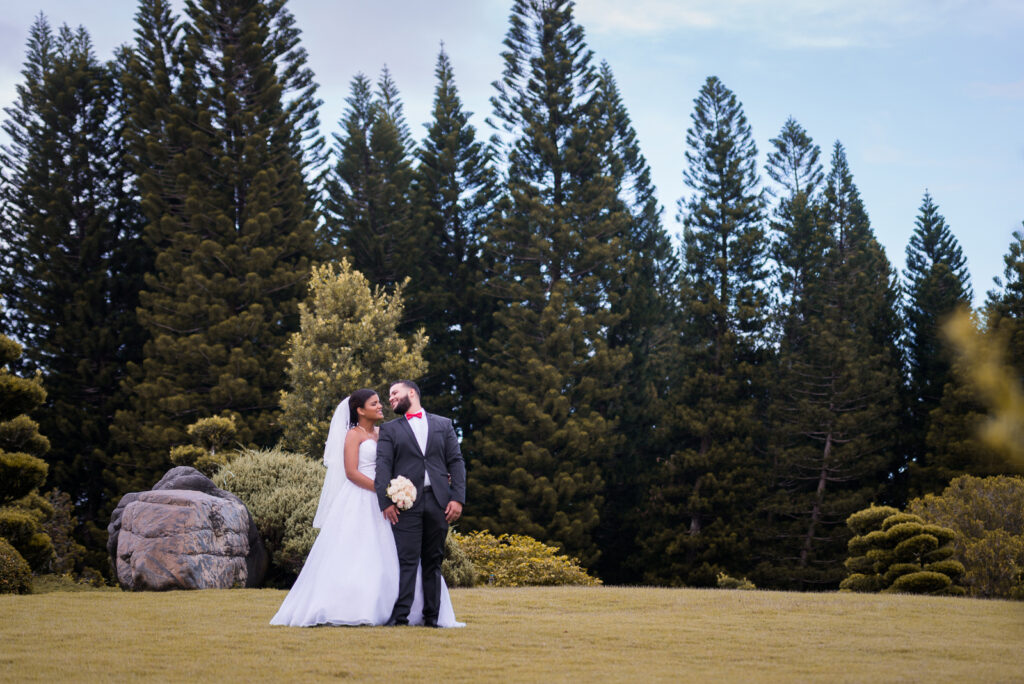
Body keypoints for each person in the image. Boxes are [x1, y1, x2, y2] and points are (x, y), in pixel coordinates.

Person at [270, 389, 462, 627]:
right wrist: (386, 490)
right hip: (362, 498)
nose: (381, 406)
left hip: (392, 500)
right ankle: (354, 605)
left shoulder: (386, 432)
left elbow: (400, 461)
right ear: (360, 410)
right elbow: (351, 473)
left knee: (399, 556)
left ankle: (406, 609)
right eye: (375, 403)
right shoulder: (353, 435)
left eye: (380, 402)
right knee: (359, 552)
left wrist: (426, 478)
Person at [375, 380, 467, 627]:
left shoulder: (444, 424)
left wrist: (457, 498)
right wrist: (385, 501)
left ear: (412, 392)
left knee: (433, 560)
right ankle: (400, 617)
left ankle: (432, 618)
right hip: (404, 505)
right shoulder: (390, 430)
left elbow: (456, 462)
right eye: (389, 396)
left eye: (395, 393)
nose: (391, 399)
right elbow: (382, 466)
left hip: (439, 501)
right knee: (406, 560)